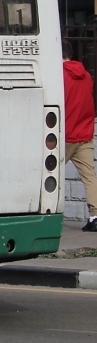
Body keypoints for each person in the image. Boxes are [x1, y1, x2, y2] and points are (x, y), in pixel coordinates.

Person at [63, 40, 97, 232]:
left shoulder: (59, 75)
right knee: (89, 177)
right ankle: (95, 216)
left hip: (64, 135)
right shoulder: (86, 76)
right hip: (84, 133)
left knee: (50, 176)